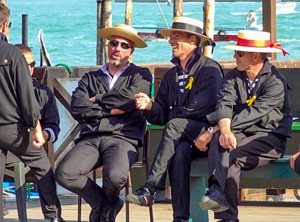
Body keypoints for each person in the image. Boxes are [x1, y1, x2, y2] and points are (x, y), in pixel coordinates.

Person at [125, 16, 224, 222]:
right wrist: (150, 106)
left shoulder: (210, 70)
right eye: (171, 37)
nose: (171, 41)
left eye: (176, 37)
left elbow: (203, 107)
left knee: (174, 125)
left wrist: (174, 119)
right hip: (182, 137)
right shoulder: (171, 76)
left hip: (208, 135)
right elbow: (161, 116)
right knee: (178, 153)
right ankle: (179, 218)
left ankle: (151, 187)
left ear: (193, 41)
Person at [55, 24, 152, 222]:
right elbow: (77, 107)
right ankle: (105, 202)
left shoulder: (141, 75)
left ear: (131, 51)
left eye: (124, 45)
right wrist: (110, 109)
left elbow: (130, 98)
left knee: (116, 176)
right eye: (113, 43)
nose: (117, 48)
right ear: (108, 46)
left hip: (123, 137)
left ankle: (108, 202)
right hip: (91, 137)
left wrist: (96, 100)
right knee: (65, 173)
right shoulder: (91, 77)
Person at [197, 30, 292, 222]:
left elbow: (253, 114)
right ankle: (222, 204)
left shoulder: (275, 82)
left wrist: (216, 129)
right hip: (239, 133)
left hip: (269, 138)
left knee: (231, 154)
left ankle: (221, 201)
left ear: (255, 56)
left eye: (239, 53)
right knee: (224, 143)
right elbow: (224, 104)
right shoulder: (233, 76)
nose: (234, 56)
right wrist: (223, 130)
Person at [0, 3, 49, 221]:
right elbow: (26, 94)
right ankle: (53, 215)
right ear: (4, 26)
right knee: (42, 167)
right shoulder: (12, 53)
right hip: (11, 128)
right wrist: (35, 125)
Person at [4, 43, 63, 221]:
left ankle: (52, 215)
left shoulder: (42, 92)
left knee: (43, 167)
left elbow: (53, 126)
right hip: (12, 141)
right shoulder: (6, 88)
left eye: (32, 64)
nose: (29, 68)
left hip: (27, 145)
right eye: (25, 64)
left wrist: (44, 135)